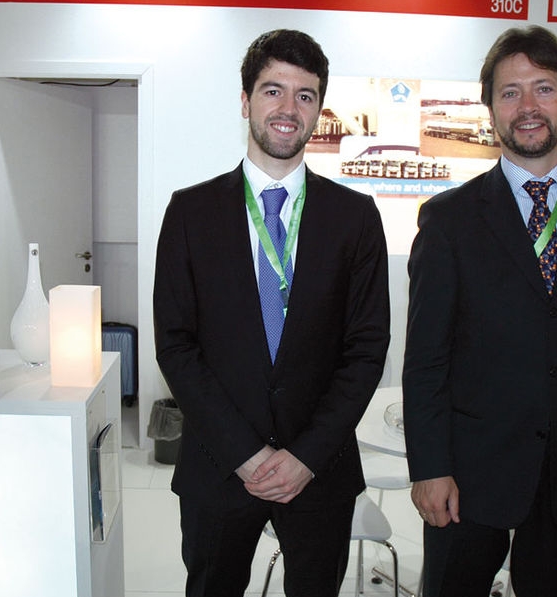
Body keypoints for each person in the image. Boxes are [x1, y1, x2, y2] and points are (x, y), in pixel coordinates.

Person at [402, 25, 557, 597]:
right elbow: (426, 360)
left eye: (543, 88)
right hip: (468, 473)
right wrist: (430, 467)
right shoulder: (449, 220)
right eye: (510, 92)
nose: (528, 107)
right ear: (491, 108)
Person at [153, 29, 390, 597]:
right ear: (246, 101)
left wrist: (305, 456)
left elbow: (366, 350)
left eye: (305, 95)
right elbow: (176, 346)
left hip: (319, 469)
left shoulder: (355, 218)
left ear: (318, 111)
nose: (288, 109)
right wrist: (246, 453)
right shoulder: (190, 212)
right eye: (273, 91)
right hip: (219, 464)